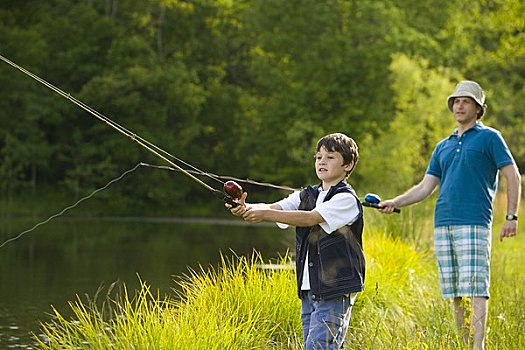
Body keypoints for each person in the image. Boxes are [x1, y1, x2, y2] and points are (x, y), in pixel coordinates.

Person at [379, 80, 521, 350]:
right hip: (443, 224)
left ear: (478, 108)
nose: (459, 105)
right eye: (456, 101)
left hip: (474, 221)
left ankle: (478, 347)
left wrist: (511, 216)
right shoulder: (442, 146)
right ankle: (465, 344)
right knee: (454, 291)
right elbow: (425, 187)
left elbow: (512, 174)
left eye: (466, 101)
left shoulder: (490, 137)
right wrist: (395, 201)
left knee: (477, 287)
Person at [227, 132, 365, 350]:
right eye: (318, 157)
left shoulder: (346, 199)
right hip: (309, 288)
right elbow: (275, 207)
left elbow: (311, 218)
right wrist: (246, 208)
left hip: (335, 290)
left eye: (330, 157)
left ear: (348, 165)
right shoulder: (306, 195)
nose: (322, 161)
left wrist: (263, 215)